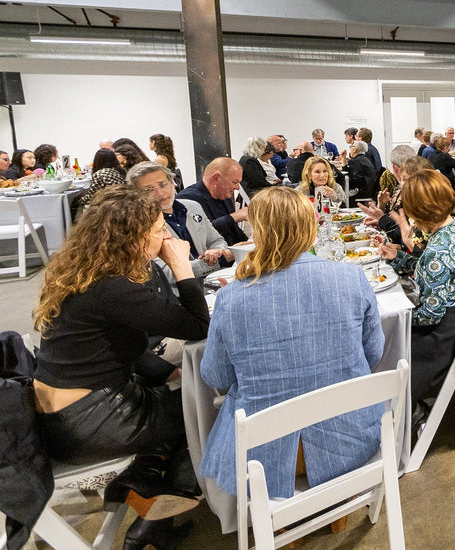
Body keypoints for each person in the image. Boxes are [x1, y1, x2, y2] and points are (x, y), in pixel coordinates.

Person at [32, 186, 208, 549]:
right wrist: (180, 266)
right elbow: (198, 327)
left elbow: (123, 345)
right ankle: (164, 498)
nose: (167, 237)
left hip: (66, 415)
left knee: (181, 389)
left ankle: (147, 490)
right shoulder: (115, 287)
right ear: (133, 236)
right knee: (210, 407)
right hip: (90, 422)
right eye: (160, 230)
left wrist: (165, 372)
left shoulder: (85, 272)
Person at [198, 186, 385, 502]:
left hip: (263, 450)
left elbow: (216, 377)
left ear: (257, 233)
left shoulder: (231, 297)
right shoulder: (351, 277)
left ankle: (283, 524)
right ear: (310, 228)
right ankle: (335, 509)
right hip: (349, 435)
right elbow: (374, 354)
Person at [380, 170, 455, 408]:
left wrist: (396, 318)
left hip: (441, 338)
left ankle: (398, 415)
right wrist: (399, 256)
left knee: (382, 342)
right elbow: (431, 269)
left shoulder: (438, 252)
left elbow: (430, 316)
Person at [129, 162, 233, 278]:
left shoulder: (193, 207)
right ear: (136, 195)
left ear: (173, 183)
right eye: (149, 190)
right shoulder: (139, 224)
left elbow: (216, 240)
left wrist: (216, 252)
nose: (160, 193)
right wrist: (218, 261)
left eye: (163, 185)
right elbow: (164, 273)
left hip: (214, 280)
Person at [177, 157, 248, 245]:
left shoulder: (224, 195)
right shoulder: (187, 199)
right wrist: (233, 217)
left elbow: (234, 230)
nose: (237, 187)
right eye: (234, 182)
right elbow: (200, 235)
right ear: (216, 178)